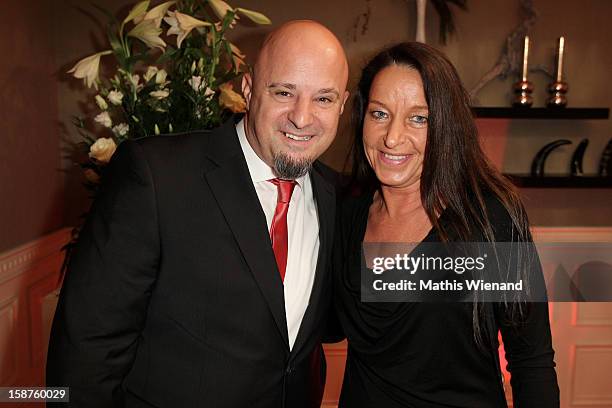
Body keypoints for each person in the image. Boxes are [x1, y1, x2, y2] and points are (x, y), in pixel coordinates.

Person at [47, 20, 349, 408]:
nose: (302, 117)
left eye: (323, 99)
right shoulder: (155, 176)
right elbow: (85, 352)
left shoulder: (339, 195)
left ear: (342, 103)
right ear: (248, 88)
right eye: (284, 92)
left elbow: (338, 322)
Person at [333, 42, 560, 407]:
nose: (392, 137)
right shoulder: (345, 211)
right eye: (379, 114)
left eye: (418, 118)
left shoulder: (491, 218)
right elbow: (328, 327)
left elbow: (530, 360)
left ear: (445, 125)